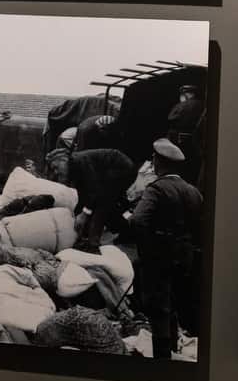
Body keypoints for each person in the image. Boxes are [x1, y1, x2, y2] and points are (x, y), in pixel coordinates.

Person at [129, 139, 203, 361]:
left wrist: (149, 243)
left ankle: (162, 361)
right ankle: (172, 347)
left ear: (159, 163)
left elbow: (137, 221)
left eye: (154, 160)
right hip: (185, 257)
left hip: (159, 256)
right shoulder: (193, 191)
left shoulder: (157, 188)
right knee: (173, 302)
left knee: (158, 308)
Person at [69, 147, 138, 252]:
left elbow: (94, 191)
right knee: (107, 204)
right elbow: (83, 195)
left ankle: (93, 243)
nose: (56, 172)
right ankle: (125, 231)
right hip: (112, 171)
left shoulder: (81, 162)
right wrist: (78, 211)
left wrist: (84, 214)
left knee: (102, 204)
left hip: (122, 168)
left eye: (56, 168)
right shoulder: (75, 167)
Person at [167, 85, 205, 185]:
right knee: (192, 167)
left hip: (179, 141)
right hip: (196, 143)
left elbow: (170, 118)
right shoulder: (202, 105)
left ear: (187, 94)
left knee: (180, 166)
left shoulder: (180, 105)